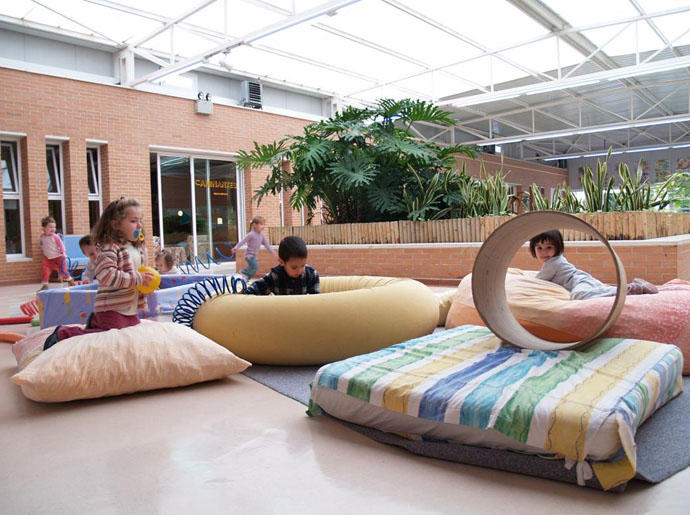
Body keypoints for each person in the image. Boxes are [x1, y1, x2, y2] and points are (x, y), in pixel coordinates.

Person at [43, 198, 155, 349]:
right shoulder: (110, 247)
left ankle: (95, 322)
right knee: (107, 338)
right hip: (111, 307)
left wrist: (146, 281)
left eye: (140, 221)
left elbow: (139, 274)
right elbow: (106, 274)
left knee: (130, 336)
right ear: (116, 225)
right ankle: (63, 333)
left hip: (129, 308)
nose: (140, 225)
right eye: (134, 221)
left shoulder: (137, 248)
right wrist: (137, 278)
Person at [529, 229, 658, 300]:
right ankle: (630, 287)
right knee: (598, 290)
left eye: (549, 247)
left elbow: (539, 280)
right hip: (582, 277)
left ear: (558, 247)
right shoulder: (555, 260)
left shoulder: (551, 264)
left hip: (578, 281)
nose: (543, 252)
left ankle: (632, 289)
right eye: (539, 248)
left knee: (578, 295)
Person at [243, 235, 319, 295]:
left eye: (303, 265)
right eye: (294, 267)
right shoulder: (276, 276)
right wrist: (244, 293)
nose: (299, 271)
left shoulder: (311, 275)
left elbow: (317, 300)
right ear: (282, 262)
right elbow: (258, 287)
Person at [232, 215, 276, 280]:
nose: (263, 226)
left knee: (254, 269)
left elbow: (267, 245)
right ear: (255, 225)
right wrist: (236, 248)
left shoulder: (262, 236)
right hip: (249, 255)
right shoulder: (251, 234)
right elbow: (242, 242)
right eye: (261, 224)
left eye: (263, 224)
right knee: (254, 267)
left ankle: (246, 279)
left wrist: (272, 252)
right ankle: (243, 272)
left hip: (254, 256)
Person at [39, 216, 75, 290]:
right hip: (48, 258)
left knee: (63, 272)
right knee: (44, 270)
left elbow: (61, 245)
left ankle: (70, 280)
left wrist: (63, 253)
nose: (53, 229)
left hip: (59, 257)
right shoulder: (42, 236)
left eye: (54, 227)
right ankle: (45, 285)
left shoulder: (55, 237)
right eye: (50, 227)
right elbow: (42, 244)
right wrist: (43, 250)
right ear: (44, 228)